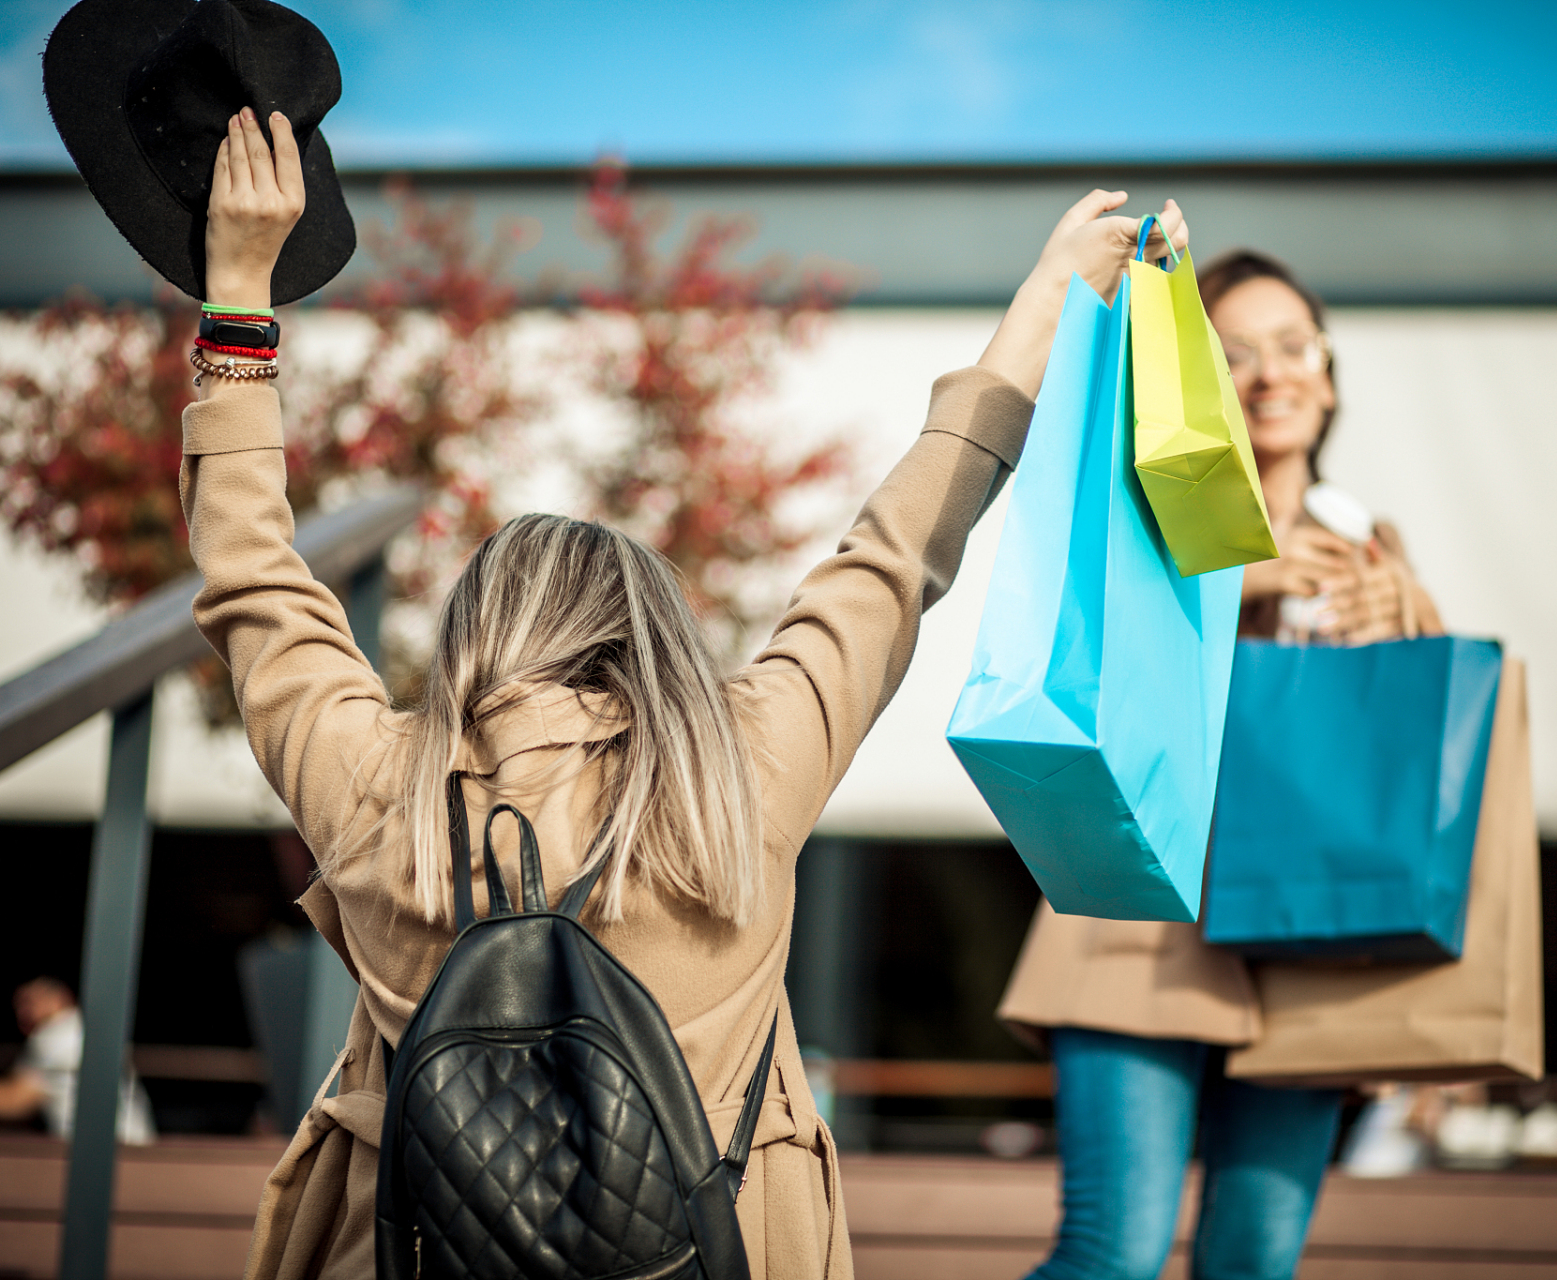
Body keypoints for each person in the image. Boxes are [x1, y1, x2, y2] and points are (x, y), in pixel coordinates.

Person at [191, 107, 1186, 1279]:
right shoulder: (746, 769)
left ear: (472, 637)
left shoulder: (377, 788)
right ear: (652, 639)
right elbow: (899, 550)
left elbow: (251, 574)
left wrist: (239, 287)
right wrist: (1050, 301)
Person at [998, 249, 1442, 1280]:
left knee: (1253, 1257)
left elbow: (1416, 749)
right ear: (1196, 376)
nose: (1272, 372)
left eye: (1295, 346)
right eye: (1234, 351)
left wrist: (1406, 620)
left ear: (1328, 376)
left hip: (1311, 927)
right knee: (1112, 1250)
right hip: (1141, 911)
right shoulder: (1149, 518)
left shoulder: (1374, 543)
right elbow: (1096, 664)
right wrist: (1235, 580)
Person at [0, 976, 155, 1143]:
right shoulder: (86, 1030)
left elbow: (5, 1107)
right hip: (131, 1153)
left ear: (60, 999)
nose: (22, 1013)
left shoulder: (57, 1036)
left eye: (29, 1002)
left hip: (102, 1161)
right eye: (18, 1005)